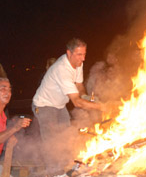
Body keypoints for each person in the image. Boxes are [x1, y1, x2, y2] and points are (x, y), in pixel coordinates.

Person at [32, 38, 103, 167]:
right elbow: (76, 102)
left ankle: (66, 167)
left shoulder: (77, 63)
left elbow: (79, 84)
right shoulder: (62, 69)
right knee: (52, 143)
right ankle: (52, 174)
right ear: (69, 53)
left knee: (66, 138)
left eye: (84, 54)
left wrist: (86, 97)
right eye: (79, 54)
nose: (83, 59)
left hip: (59, 105)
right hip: (44, 106)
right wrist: (101, 107)